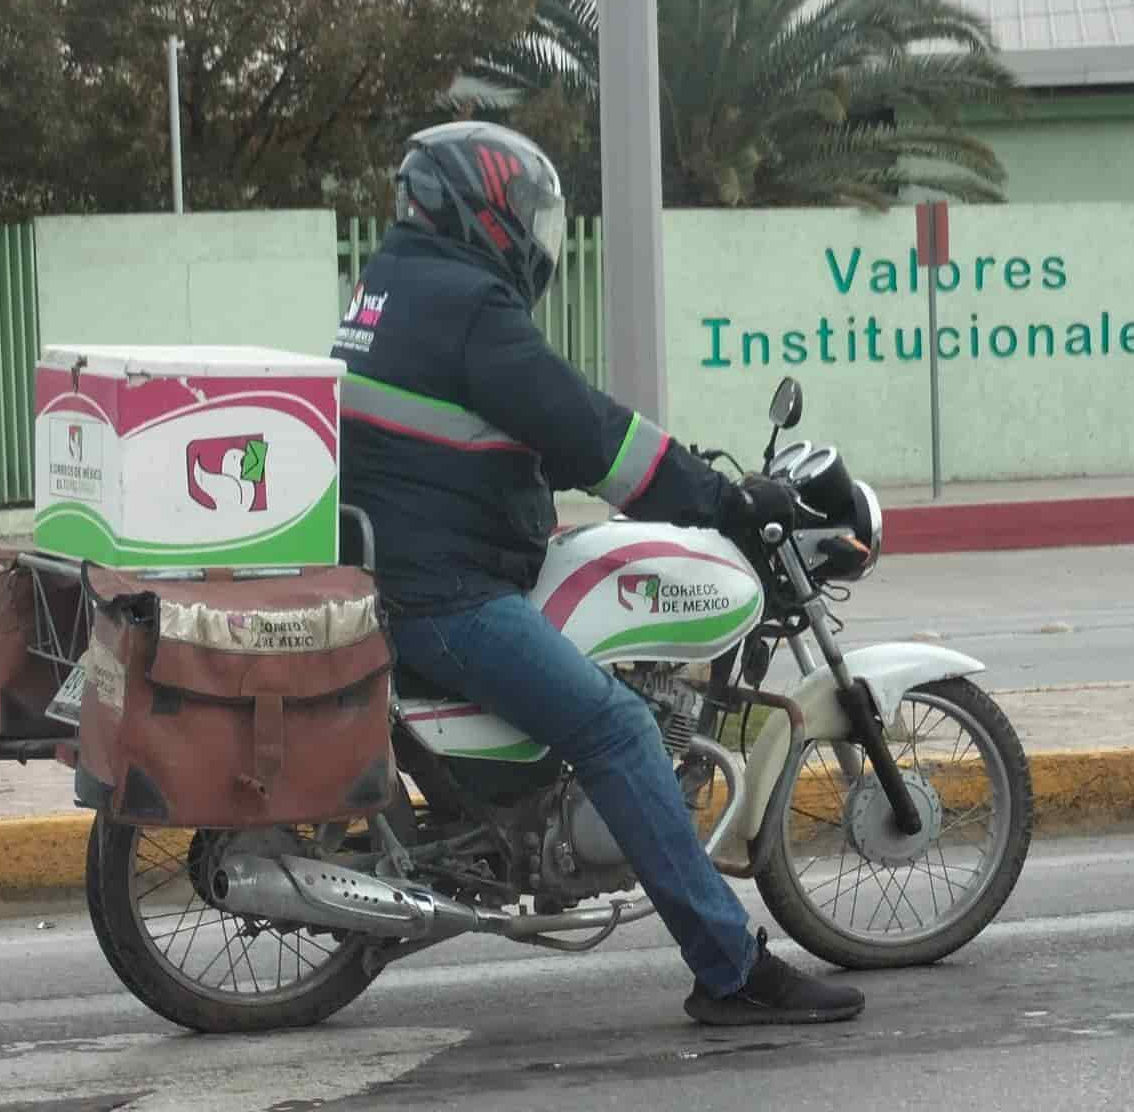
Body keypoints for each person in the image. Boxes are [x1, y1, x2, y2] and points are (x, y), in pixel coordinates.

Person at [330, 120, 865, 1026]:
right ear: (481, 208)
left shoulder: (387, 286)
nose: (531, 239)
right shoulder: (468, 306)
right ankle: (730, 969)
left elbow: (490, 433)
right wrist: (718, 498)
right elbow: (587, 430)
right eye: (523, 217)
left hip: (396, 566)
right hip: (443, 594)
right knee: (618, 728)